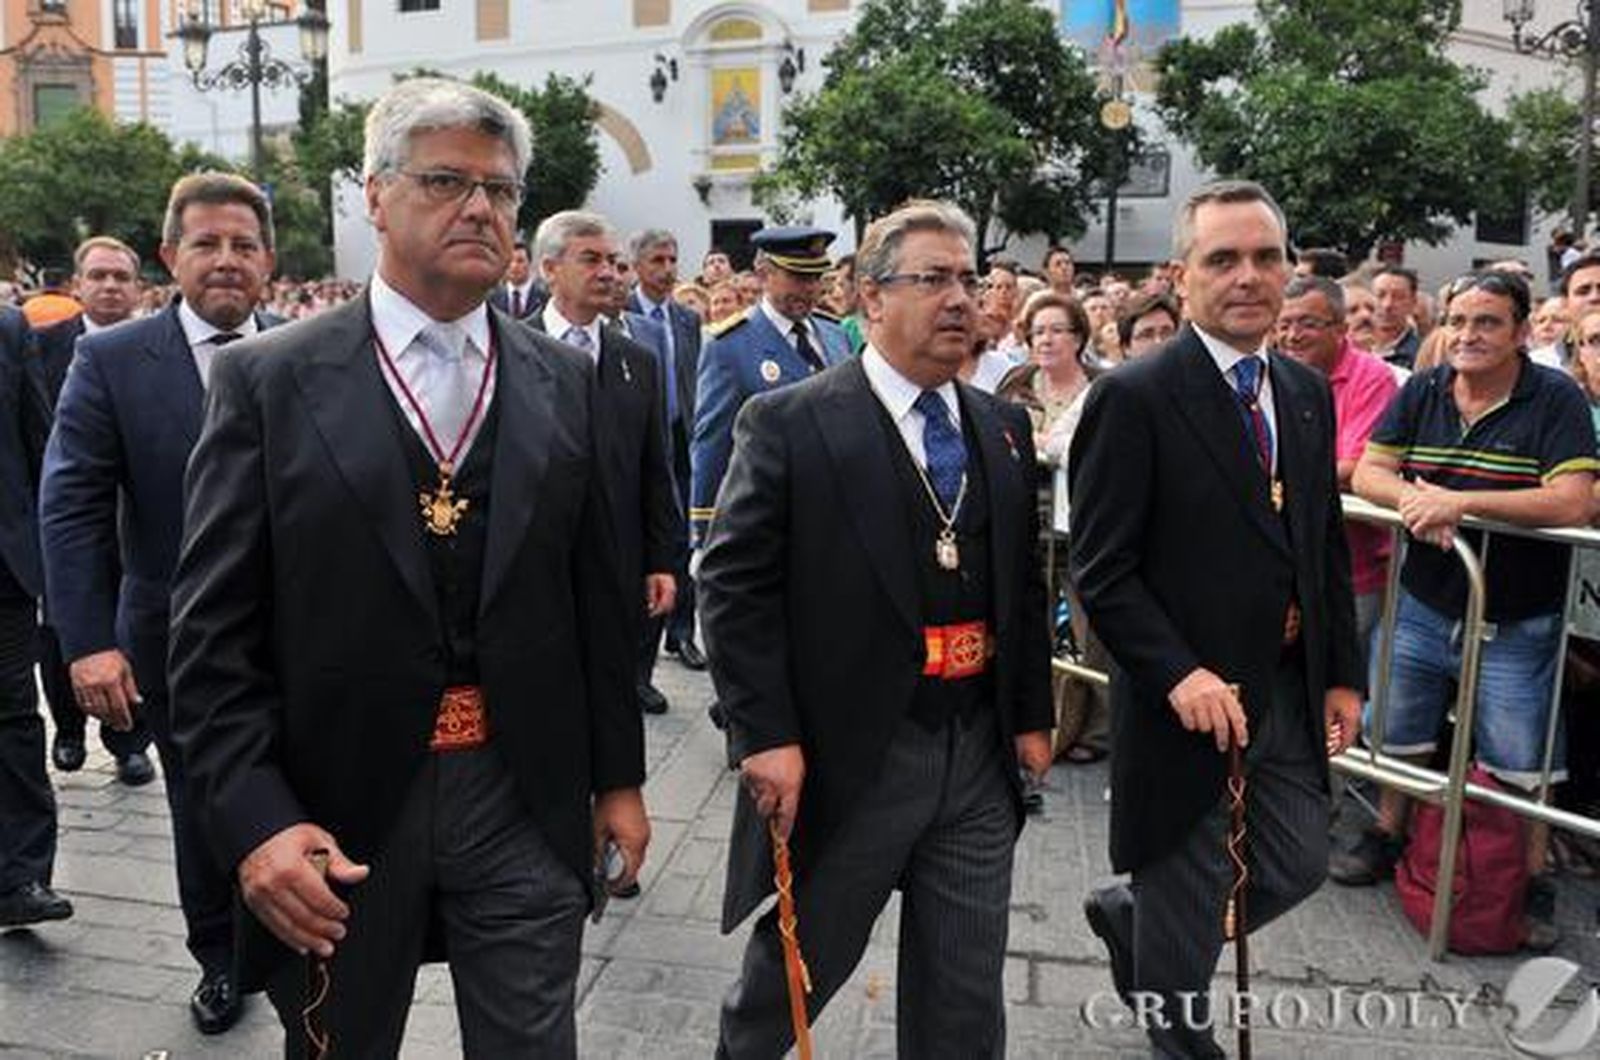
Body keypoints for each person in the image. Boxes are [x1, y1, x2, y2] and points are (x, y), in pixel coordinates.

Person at [167, 78, 648, 1055]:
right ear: (376, 197)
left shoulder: (564, 378)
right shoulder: (271, 379)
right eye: (444, 181)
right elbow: (213, 634)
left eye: (501, 190)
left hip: (524, 788)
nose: (479, 208)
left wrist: (618, 780)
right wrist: (257, 820)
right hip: (342, 804)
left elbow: (598, 599)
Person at [701, 198, 1054, 1059]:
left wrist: (1031, 714)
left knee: (964, 989)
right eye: (932, 279)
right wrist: (765, 733)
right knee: (798, 971)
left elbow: (1021, 580)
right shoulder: (793, 420)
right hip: (853, 750)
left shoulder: (1001, 426)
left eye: (968, 280)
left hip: (976, 750)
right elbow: (734, 587)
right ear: (870, 297)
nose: (960, 299)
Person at [1071, 180, 1364, 1059]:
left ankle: (1138, 921)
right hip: (1186, 704)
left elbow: (1320, 543)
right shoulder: (1135, 396)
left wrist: (1342, 672)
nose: (1248, 276)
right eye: (1223, 258)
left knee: (1297, 862)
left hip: (1286, 688)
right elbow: (1103, 571)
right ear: (1181, 274)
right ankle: (1177, 1028)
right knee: (1188, 880)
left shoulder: (1303, 392)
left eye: (1266, 257)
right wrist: (1178, 672)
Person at [40, 172, 283, 1035]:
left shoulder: (313, 351)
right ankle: (222, 958)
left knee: (305, 792)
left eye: (244, 245)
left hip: (306, 637)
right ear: (170, 256)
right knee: (205, 804)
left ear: (269, 260)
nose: (226, 260)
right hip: (176, 641)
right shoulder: (112, 360)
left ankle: (293, 946)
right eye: (206, 243)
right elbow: (71, 504)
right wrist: (88, 643)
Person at [1338, 270, 1598, 949]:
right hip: (1422, 601)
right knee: (1398, 728)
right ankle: (1387, 834)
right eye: (1458, 321)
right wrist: (1413, 499)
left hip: (1518, 614)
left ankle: (1528, 877)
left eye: (1487, 322)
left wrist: (1459, 502)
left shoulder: (1556, 398)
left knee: (1521, 754)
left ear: (1520, 331)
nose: (1468, 335)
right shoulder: (1425, 388)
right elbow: (1370, 470)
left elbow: (1573, 500)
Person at [530, 211, 681, 718]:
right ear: (550, 269)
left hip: (617, 569)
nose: (609, 274)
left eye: (615, 263)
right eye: (591, 260)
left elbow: (654, 468)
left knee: (613, 706)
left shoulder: (636, 360)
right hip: (537, 569)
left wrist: (661, 560)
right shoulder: (511, 350)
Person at [30, 236, 155, 784]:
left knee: (132, 626)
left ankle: (130, 741)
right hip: (64, 516)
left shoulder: (156, 348)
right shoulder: (40, 347)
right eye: (98, 276)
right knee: (62, 627)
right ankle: (69, 730)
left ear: (139, 288)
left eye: (121, 277)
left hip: (136, 521)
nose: (109, 286)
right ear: (77, 285)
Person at [690, 226, 853, 552]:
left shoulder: (835, 335)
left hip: (840, 520)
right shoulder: (730, 346)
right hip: (770, 523)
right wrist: (706, 531)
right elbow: (712, 445)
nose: (810, 288)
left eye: (816, 277)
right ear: (764, 274)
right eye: (798, 277)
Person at [1275, 275, 1400, 654]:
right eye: (1283, 324)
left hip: (1349, 569)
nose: (1292, 335)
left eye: (1307, 323)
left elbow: (1354, 467)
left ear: (1341, 329)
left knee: (1338, 671)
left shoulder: (1372, 377)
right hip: (1281, 565)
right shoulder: (1269, 370)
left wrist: (1271, 480)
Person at [0, 304, 73, 930]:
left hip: (5, 567)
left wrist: (56, 563)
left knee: (15, 715)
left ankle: (20, 876)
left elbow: (41, 443)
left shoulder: (8, 328)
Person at [628, 228, 707, 673]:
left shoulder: (686, 319)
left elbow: (694, 378)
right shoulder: (621, 315)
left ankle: (682, 633)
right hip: (642, 439)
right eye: (657, 261)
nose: (668, 269)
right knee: (653, 535)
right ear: (637, 265)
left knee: (683, 537)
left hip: (681, 436)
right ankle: (643, 648)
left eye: (673, 260)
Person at [995, 291, 1091, 453]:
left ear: (1078, 339)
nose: (1046, 340)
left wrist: (1042, 443)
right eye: (1038, 332)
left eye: (1057, 330)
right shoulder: (1016, 380)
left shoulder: (1101, 385)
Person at [1371, 265, 1423, 368]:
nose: (1387, 305)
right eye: (1380, 295)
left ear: (1413, 302)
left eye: (1398, 297)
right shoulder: (1351, 346)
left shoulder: (1420, 356)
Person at [488, 238, 542, 319]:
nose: (514, 266)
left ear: (530, 263)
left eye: (520, 261)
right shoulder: (492, 298)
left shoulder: (544, 297)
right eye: (510, 261)